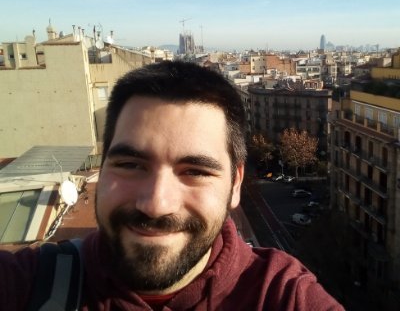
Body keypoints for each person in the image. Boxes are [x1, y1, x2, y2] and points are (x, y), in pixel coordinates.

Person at [0, 60, 344, 310]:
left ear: (236, 183)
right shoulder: (28, 284)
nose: (156, 204)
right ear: (101, 169)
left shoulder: (281, 296)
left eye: (195, 171)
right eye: (130, 165)